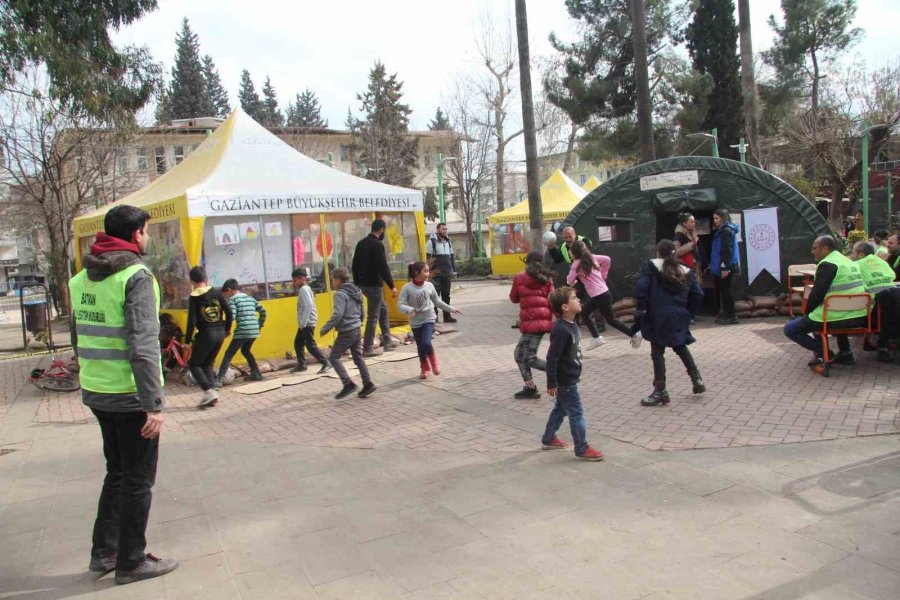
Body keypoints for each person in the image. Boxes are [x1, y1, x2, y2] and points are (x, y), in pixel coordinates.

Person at [68, 204, 178, 584]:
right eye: (146, 231)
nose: (147, 237)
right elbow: (144, 344)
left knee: (116, 473)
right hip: (130, 397)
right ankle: (131, 560)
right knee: (137, 480)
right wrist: (154, 404)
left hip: (97, 390)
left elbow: (78, 336)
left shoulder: (81, 277)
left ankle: (105, 551)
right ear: (136, 234)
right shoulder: (136, 276)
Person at [634, 240, 706, 407]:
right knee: (680, 345)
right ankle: (697, 379)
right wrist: (688, 311)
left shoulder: (651, 267)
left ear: (658, 253)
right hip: (678, 315)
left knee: (657, 350)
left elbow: (641, 286)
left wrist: (642, 306)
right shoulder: (685, 271)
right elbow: (698, 293)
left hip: (657, 314)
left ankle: (661, 390)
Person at [783, 236, 869, 374]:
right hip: (859, 315)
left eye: (814, 248)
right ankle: (846, 353)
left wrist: (806, 313)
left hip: (834, 316)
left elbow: (816, 295)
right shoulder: (850, 262)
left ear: (825, 248)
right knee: (817, 315)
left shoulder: (827, 264)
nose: (812, 252)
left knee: (791, 329)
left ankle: (824, 352)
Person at [541, 286, 604, 461]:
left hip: (570, 377)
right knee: (576, 413)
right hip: (565, 381)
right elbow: (552, 358)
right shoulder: (560, 330)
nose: (578, 300)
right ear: (565, 307)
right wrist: (552, 383)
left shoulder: (572, 324)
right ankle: (582, 448)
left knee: (560, 409)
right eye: (574, 298)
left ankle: (548, 438)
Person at [567, 240, 640, 348]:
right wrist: (603, 274)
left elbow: (569, 280)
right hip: (604, 292)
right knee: (585, 313)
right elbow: (607, 259)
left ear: (574, 253)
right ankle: (597, 337)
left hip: (599, 295)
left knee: (611, 320)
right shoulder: (592, 257)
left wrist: (574, 271)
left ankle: (634, 334)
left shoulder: (576, 264)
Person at [398, 261, 461, 379]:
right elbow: (400, 305)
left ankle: (434, 363)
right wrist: (410, 310)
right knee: (420, 347)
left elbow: (437, 301)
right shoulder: (407, 288)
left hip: (429, 318)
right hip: (415, 322)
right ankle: (424, 367)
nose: (428, 274)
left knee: (426, 343)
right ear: (417, 272)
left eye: (428, 271)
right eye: (425, 271)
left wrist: (452, 309)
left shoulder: (429, 285)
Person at [320, 267, 376, 399]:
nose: (332, 283)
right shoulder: (356, 291)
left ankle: (348, 383)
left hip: (347, 331)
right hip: (356, 328)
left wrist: (326, 327)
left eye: (333, 280)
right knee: (358, 358)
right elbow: (362, 310)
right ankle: (368, 384)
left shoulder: (340, 294)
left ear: (338, 280)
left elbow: (338, 314)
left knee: (333, 357)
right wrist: (359, 322)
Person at [184, 266, 232, 408]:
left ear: (192, 281)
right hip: (220, 333)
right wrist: (227, 329)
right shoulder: (216, 293)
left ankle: (208, 390)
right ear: (206, 278)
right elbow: (228, 312)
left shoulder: (194, 297)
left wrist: (187, 341)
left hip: (206, 334)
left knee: (194, 364)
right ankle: (212, 394)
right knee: (208, 363)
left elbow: (191, 321)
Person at [510, 251, 554, 399]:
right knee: (519, 355)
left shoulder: (519, 277)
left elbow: (513, 298)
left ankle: (558, 371)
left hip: (531, 322)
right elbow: (553, 299)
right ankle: (530, 387)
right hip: (542, 322)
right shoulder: (547, 278)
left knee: (529, 358)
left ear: (526, 262)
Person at [352, 219, 398, 357]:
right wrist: (392, 286)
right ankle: (367, 348)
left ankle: (387, 341)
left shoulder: (361, 243)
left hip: (362, 285)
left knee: (383, 310)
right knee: (373, 316)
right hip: (374, 286)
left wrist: (357, 282)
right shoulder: (377, 245)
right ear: (382, 229)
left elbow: (354, 265)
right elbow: (382, 267)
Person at [851, 241, 898, 362]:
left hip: (872, 309)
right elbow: (892, 276)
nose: (851, 256)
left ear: (861, 255)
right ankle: (881, 345)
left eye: (852, 253)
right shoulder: (882, 262)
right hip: (892, 303)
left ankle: (845, 351)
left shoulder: (855, 265)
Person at [216, 279, 266, 383]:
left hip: (243, 331)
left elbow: (232, 316)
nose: (227, 296)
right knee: (245, 350)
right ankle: (256, 373)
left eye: (226, 294)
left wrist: (222, 325)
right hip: (254, 331)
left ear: (229, 290)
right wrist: (259, 325)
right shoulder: (250, 298)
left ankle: (219, 379)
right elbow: (263, 311)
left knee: (229, 353)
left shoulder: (233, 300)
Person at [290, 267, 331, 374]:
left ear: (302, 278)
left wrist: (303, 323)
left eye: (295, 280)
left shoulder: (304, 289)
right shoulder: (306, 288)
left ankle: (326, 362)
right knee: (298, 343)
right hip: (305, 323)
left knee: (310, 345)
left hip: (307, 323)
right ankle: (302, 364)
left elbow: (308, 305)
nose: (294, 282)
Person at [710, 208, 741, 325]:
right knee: (725, 291)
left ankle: (731, 315)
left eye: (717, 218)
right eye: (714, 218)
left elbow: (727, 250)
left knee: (727, 291)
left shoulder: (726, 230)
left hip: (727, 265)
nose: (715, 221)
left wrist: (724, 267)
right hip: (727, 264)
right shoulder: (724, 230)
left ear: (723, 218)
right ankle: (728, 313)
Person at [427, 222, 458, 324]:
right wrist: (429, 273)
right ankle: (434, 317)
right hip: (436, 274)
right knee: (435, 295)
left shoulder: (448, 242)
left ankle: (447, 316)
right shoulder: (431, 242)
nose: (444, 231)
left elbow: (451, 257)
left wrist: (454, 271)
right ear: (437, 230)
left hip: (447, 273)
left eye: (445, 229)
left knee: (446, 295)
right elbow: (428, 258)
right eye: (442, 229)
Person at [674, 212, 702, 277]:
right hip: (686, 268)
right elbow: (676, 252)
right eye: (691, 222)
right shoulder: (678, 235)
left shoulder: (692, 232)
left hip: (695, 266)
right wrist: (692, 244)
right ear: (684, 224)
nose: (694, 224)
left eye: (694, 221)